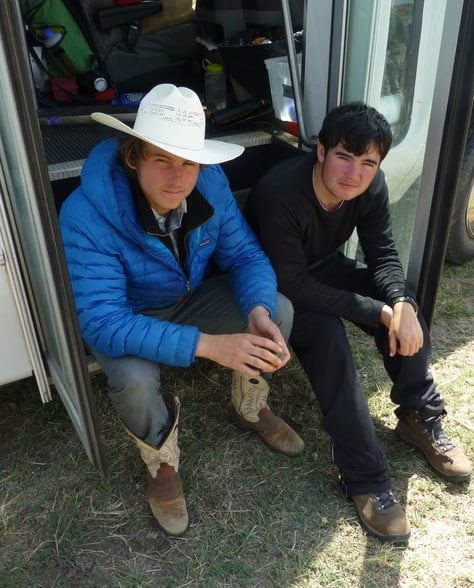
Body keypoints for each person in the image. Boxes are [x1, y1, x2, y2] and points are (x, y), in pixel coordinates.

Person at [59, 84, 302, 537]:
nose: (177, 177)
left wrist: (257, 311)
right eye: (162, 160)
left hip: (186, 300)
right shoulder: (85, 215)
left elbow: (246, 256)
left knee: (279, 311)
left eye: (188, 161)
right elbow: (103, 322)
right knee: (132, 380)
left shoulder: (210, 184)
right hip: (129, 316)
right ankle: (160, 460)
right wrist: (209, 346)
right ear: (133, 158)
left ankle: (249, 406)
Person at [244, 102, 472, 543]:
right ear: (322, 151)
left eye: (368, 162)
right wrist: (380, 312)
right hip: (272, 287)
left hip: (322, 269)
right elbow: (294, 283)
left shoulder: (369, 187)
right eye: (345, 157)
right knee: (329, 337)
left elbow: (382, 252)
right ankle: (365, 479)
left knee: (407, 311)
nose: (354, 174)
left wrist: (400, 303)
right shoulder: (281, 194)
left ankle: (418, 415)